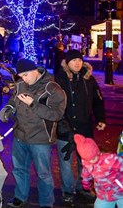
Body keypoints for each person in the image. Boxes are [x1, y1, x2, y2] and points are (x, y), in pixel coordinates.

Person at [0, 59, 66, 208]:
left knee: (43, 174)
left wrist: (33, 104)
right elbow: (13, 99)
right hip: (20, 135)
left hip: (40, 138)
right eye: (21, 76)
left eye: (26, 75)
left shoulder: (53, 88)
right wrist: (8, 109)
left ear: (35, 70)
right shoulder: (21, 85)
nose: (24, 79)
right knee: (19, 169)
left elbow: (56, 115)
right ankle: (20, 197)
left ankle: (46, 203)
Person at [54, 49, 106, 205]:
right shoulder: (60, 79)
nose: (77, 63)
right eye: (73, 60)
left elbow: (98, 100)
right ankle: (68, 191)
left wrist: (100, 118)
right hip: (65, 128)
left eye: (79, 60)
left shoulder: (89, 79)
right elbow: (54, 104)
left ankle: (82, 187)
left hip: (85, 128)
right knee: (66, 163)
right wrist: (62, 123)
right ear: (67, 63)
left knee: (86, 162)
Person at [74, 134, 123, 208]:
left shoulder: (110, 159)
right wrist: (85, 181)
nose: (91, 161)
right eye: (88, 160)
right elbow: (86, 171)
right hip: (103, 194)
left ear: (97, 152)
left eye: (93, 158)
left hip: (119, 191)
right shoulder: (86, 162)